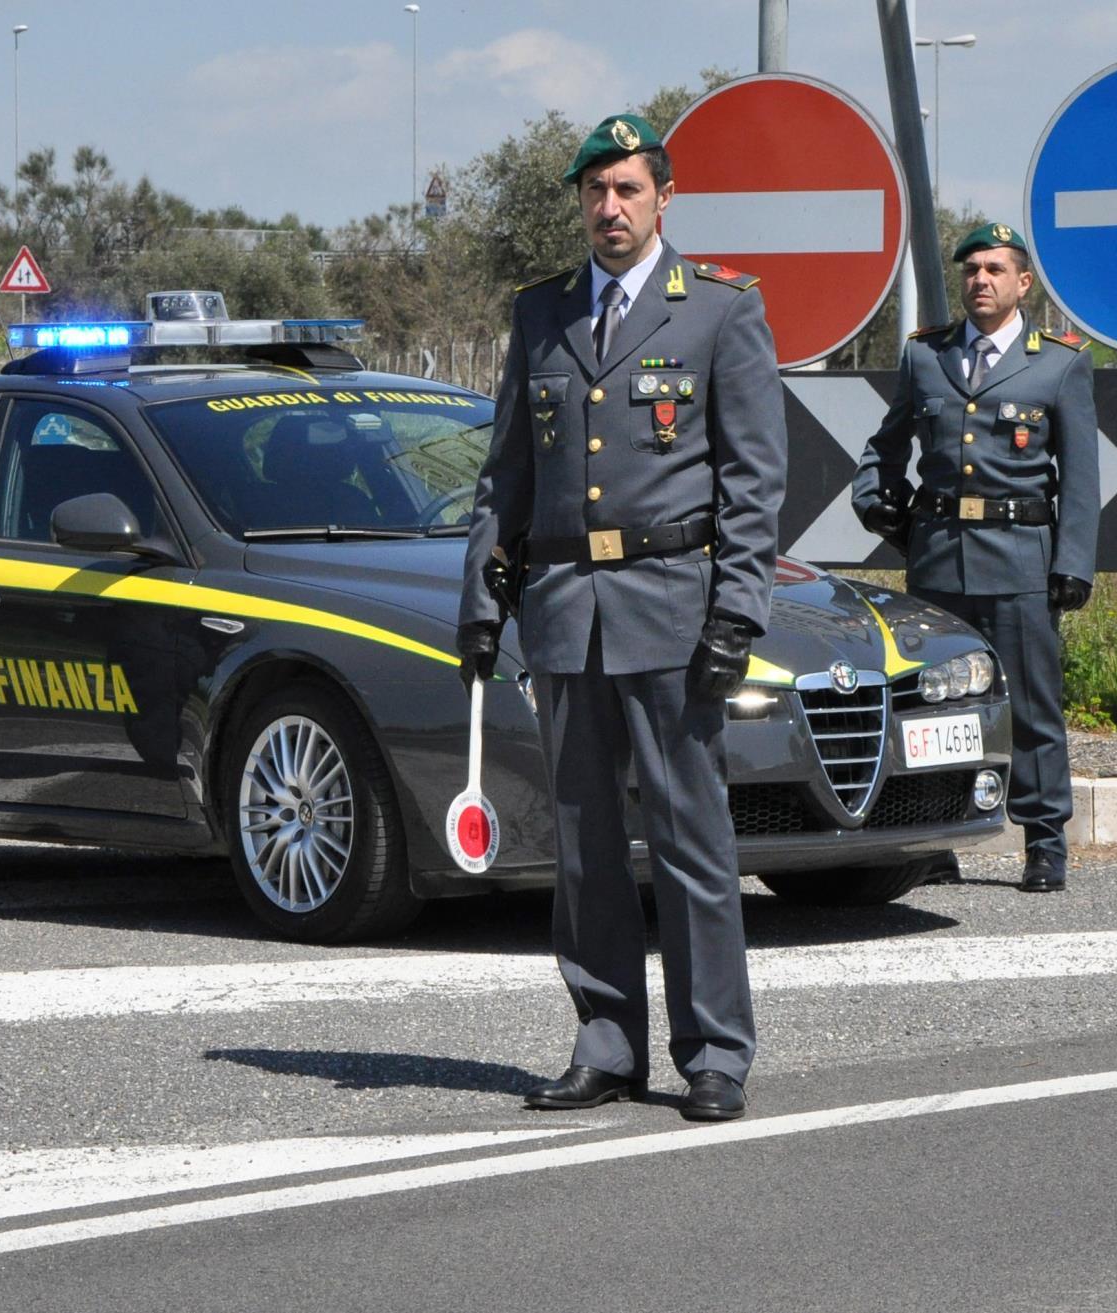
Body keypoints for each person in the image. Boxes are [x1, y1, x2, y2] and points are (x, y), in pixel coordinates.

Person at [458, 113, 787, 1119]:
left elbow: (754, 480)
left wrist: (737, 610)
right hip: (565, 611)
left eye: (627, 189)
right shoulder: (542, 312)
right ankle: (606, 1042)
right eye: (595, 191)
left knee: (693, 841)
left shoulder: (720, 312)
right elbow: (505, 471)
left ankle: (715, 1053)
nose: (609, 208)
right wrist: (481, 592)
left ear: (664, 197)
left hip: (673, 611)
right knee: (585, 843)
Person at [851, 222, 1099, 893]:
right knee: (930, 704)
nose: (980, 280)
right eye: (970, 270)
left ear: (1023, 283)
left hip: (1019, 559)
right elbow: (886, 444)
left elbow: (1080, 479)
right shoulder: (925, 358)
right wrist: (875, 498)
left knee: (1030, 705)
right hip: (936, 559)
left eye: (994, 269)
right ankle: (933, 838)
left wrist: (1071, 563)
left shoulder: (1059, 362)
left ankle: (1044, 840)